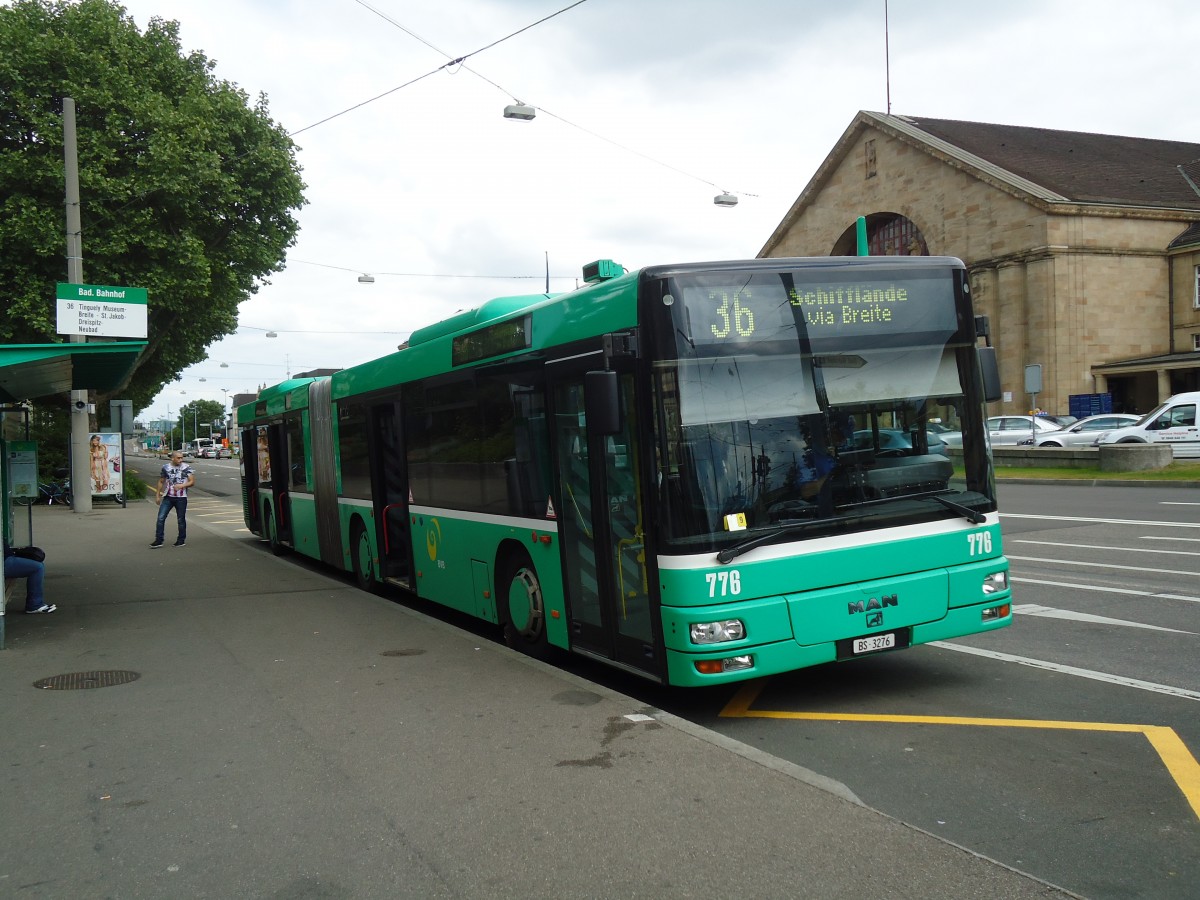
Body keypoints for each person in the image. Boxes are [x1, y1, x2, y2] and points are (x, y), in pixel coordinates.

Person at [151, 451, 195, 548]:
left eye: (181, 458)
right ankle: (159, 540)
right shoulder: (166, 467)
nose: (180, 460)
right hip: (168, 497)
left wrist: (182, 485)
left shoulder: (186, 467)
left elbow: (192, 482)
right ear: (172, 458)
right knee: (160, 518)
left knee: (181, 519)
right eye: (178, 458)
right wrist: (157, 495)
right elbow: (161, 481)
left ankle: (181, 540)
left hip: (181, 498)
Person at [3, 540, 54, 614]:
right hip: (4, 562)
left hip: (6, 558)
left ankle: (35, 603)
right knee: (37, 567)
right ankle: (34, 605)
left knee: (38, 564)